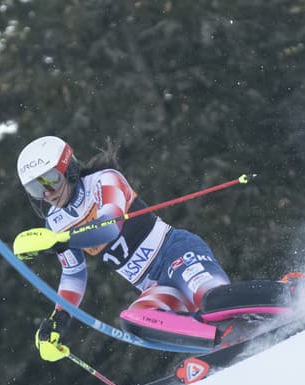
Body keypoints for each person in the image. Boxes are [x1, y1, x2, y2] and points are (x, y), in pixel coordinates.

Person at [14, 135, 232, 361]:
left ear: (68, 169)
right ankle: (219, 342)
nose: (46, 192)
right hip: (154, 285)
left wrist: (61, 241)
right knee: (136, 320)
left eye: (50, 179)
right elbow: (73, 274)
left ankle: (246, 312)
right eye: (35, 187)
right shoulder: (56, 222)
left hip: (175, 254)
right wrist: (59, 318)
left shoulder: (104, 181)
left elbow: (109, 228)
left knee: (209, 297)